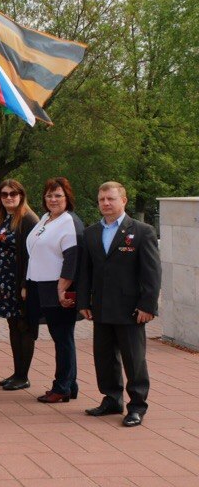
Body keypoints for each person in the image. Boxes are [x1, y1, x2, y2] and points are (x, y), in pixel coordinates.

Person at [77, 181, 161, 427]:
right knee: (104, 357)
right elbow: (86, 271)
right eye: (102, 199)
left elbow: (152, 274)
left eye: (111, 199)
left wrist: (148, 306)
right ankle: (112, 398)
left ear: (123, 201)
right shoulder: (91, 233)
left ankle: (136, 406)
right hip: (101, 307)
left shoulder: (142, 231)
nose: (105, 203)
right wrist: (83, 301)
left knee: (134, 359)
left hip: (131, 310)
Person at [24, 177, 84, 402]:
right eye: (49, 195)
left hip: (58, 287)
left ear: (67, 198)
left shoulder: (69, 222)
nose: (53, 199)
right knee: (61, 337)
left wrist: (62, 288)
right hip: (41, 285)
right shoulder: (46, 218)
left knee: (63, 338)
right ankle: (70, 384)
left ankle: (62, 388)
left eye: (58, 195)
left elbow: (72, 259)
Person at [0, 179, 39, 390]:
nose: (9, 197)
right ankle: (17, 372)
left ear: (21, 195)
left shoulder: (28, 219)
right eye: (4, 194)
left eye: (13, 194)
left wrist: (25, 283)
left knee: (24, 326)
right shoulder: (2, 216)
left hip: (20, 281)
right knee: (12, 325)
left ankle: (23, 376)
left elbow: (32, 255)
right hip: (3, 280)